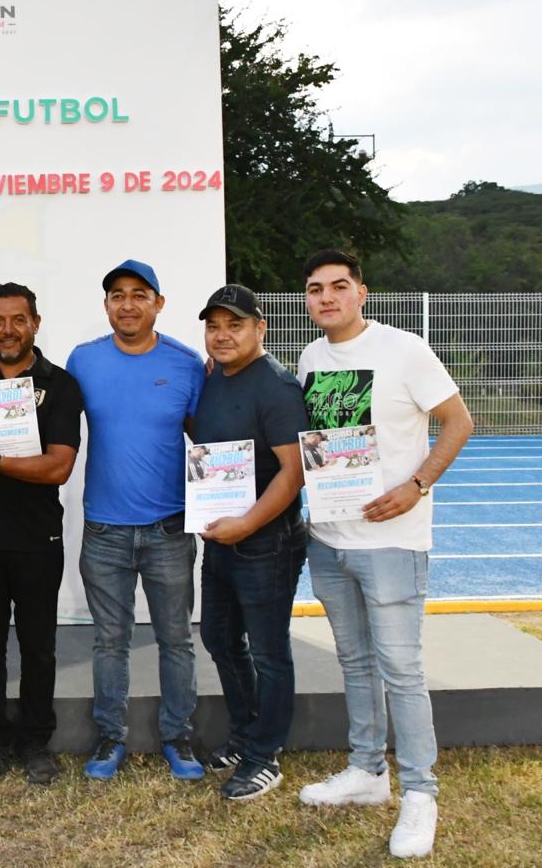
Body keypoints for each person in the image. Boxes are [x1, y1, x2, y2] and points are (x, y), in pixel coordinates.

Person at [294, 250, 473, 859]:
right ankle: (368, 772)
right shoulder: (312, 358)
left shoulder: (405, 349)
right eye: (316, 289)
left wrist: (417, 484)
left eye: (338, 287)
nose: (327, 298)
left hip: (393, 542)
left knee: (402, 670)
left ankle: (420, 794)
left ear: (361, 292)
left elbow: (458, 421)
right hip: (331, 538)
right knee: (355, 663)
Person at [65, 259, 206, 781]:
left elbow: (211, 443)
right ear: (106, 306)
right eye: (117, 295)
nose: (128, 303)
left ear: (159, 304)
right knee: (110, 641)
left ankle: (178, 735)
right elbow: (49, 425)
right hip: (103, 530)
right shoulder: (82, 362)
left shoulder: (187, 364)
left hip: (169, 530)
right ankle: (109, 736)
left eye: (139, 294)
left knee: (176, 640)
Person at [0, 283, 82, 785]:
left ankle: (35, 740)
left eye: (18, 319)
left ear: (36, 323)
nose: (8, 329)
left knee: (38, 646)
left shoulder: (61, 385)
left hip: (36, 537)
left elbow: (59, 468)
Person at [191, 284, 309, 800]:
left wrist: (247, 523)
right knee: (219, 638)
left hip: (268, 543)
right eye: (214, 326)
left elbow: (294, 472)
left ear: (260, 327)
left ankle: (266, 756)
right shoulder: (213, 377)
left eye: (234, 325)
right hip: (223, 538)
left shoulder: (277, 387)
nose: (222, 335)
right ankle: (245, 735)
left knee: (268, 651)